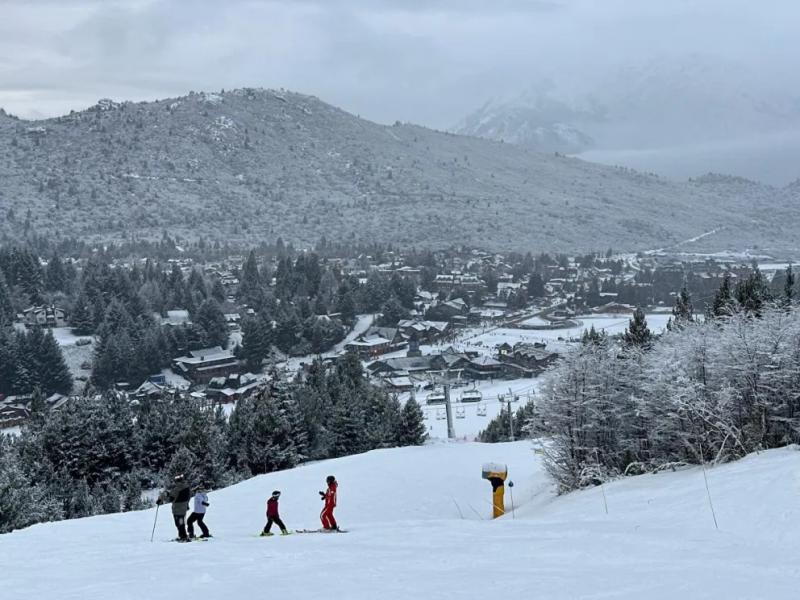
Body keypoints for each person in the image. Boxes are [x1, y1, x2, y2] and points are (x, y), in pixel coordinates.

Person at [157, 474, 192, 542]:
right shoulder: (187, 487)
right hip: (183, 508)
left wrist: (161, 498)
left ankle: (183, 537)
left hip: (177, 509)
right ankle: (182, 536)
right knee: (181, 523)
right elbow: (188, 497)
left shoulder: (177, 489)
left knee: (179, 523)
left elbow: (170, 499)